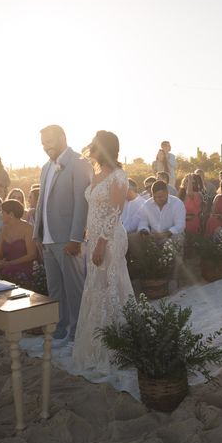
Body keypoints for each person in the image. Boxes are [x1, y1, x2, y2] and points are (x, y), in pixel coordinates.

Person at [72, 130, 135, 378]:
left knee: (111, 286)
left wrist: (100, 242)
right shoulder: (96, 175)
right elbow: (96, 209)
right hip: (94, 238)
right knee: (96, 287)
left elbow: (115, 211)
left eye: (95, 147)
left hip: (109, 239)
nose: (91, 150)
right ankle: (96, 347)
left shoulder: (119, 176)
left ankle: (116, 348)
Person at [33, 124, 92, 344]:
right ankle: (60, 328)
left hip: (68, 239)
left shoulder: (79, 163)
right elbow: (41, 203)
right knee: (55, 289)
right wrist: (36, 233)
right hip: (47, 239)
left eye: (49, 141)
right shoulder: (45, 168)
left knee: (74, 290)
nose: (46, 147)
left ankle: (78, 333)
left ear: (62, 138)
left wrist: (76, 238)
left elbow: (82, 203)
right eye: (43, 143)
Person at [128, 180, 186, 258]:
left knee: (176, 238)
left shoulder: (177, 203)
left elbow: (180, 225)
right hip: (152, 236)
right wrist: (145, 232)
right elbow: (143, 222)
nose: (157, 199)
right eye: (154, 196)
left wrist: (165, 234)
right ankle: (142, 265)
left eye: (160, 197)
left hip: (171, 235)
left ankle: (173, 267)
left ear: (167, 193)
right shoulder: (147, 204)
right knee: (132, 238)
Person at [0, 199, 37, 282]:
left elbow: (32, 255)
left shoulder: (28, 229)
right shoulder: (4, 228)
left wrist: (9, 264)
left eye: (2, 212)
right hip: (5, 265)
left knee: (8, 273)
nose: (0, 215)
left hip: (23, 266)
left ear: (11, 214)